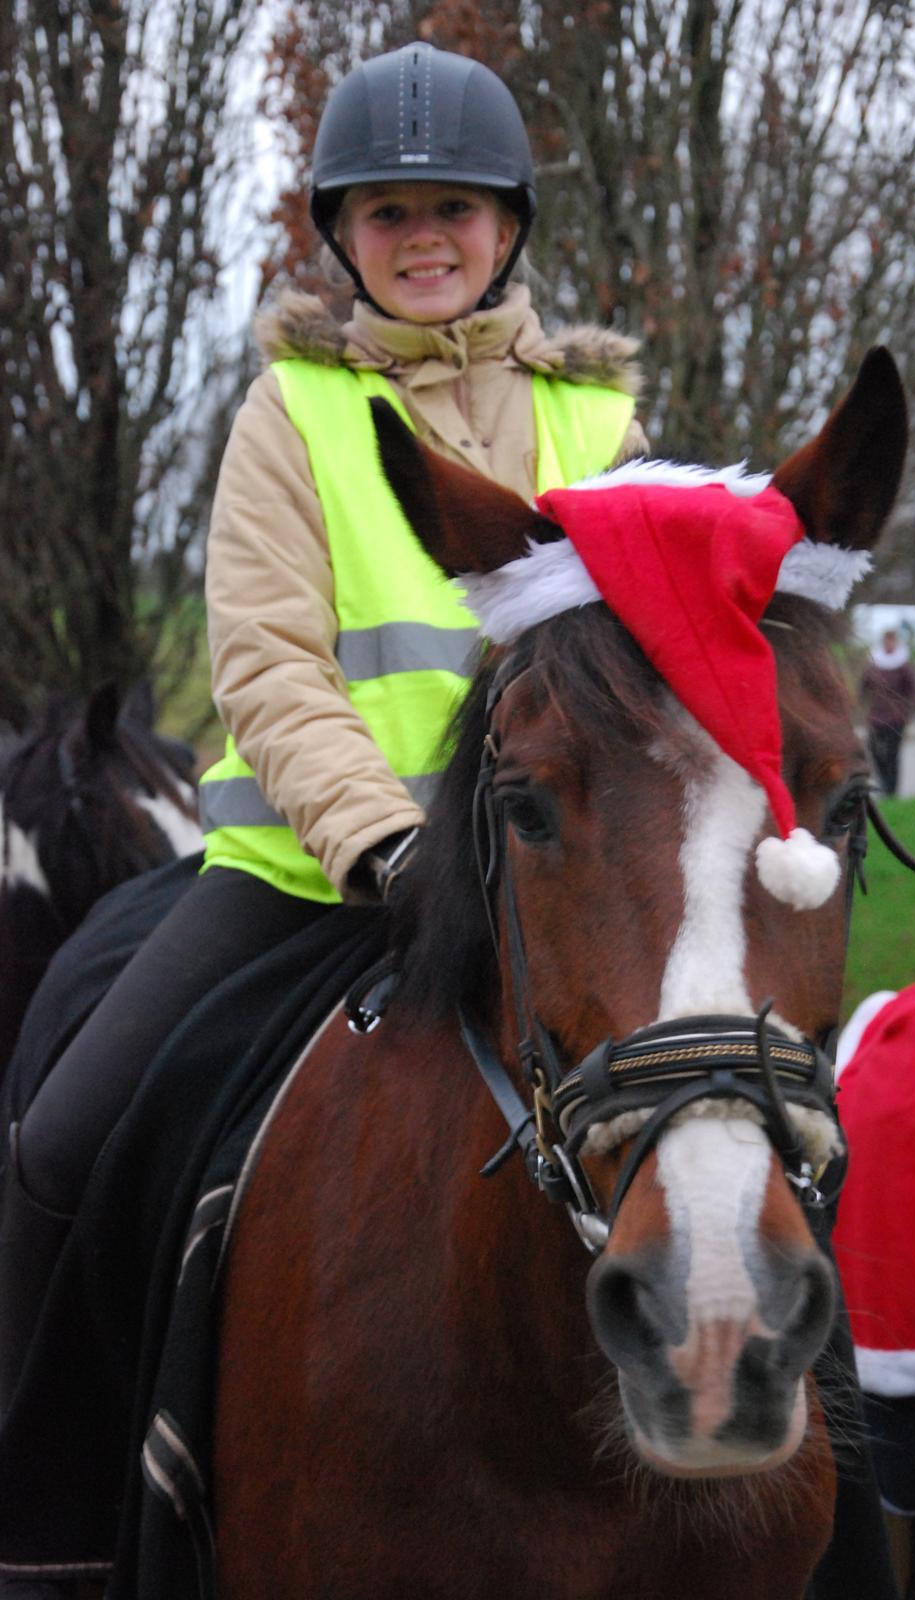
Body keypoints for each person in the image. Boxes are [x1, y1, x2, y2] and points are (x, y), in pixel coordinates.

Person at [0, 42, 645, 1591]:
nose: (425, 237)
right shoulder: (288, 413)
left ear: (511, 227)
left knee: (759, 1121)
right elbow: (271, 668)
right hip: (307, 877)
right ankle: (40, 1537)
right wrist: (400, 847)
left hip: (558, 886)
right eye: (387, 213)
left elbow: (652, 668)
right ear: (338, 234)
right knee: (61, 1142)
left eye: (457, 210)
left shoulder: (597, 427)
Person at [860, 627, 915, 797]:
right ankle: (884, 781)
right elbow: (864, 686)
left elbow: (912, 691)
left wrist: (906, 711)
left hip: (896, 717)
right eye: (887, 640)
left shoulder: (903, 666)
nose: (889, 644)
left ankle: (892, 789)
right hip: (876, 716)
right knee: (874, 749)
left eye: (892, 640)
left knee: (893, 754)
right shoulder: (874, 664)